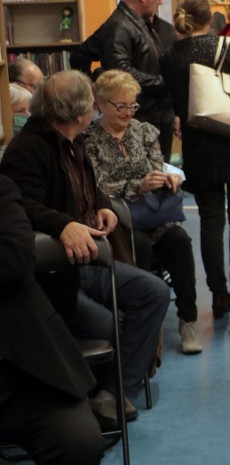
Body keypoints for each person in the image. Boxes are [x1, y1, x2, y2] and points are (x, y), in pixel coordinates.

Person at [0, 70, 170, 428]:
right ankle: (94, 398)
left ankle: (112, 394)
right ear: (76, 113)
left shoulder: (72, 141)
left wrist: (103, 204)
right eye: (91, 102)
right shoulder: (28, 149)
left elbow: (90, 188)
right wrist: (62, 225)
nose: (95, 106)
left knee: (154, 292)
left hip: (87, 257)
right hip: (55, 271)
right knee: (108, 328)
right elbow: (19, 206)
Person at [160, 0, 230, 319]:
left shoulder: (169, 56)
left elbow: (175, 101)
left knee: (209, 220)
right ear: (211, 18)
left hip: (198, 145)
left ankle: (217, 294)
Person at [84, 69, 201, 354]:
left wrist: (167, 179)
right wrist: (139, 186)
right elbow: (97, 185)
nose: (128, 112)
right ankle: (150, 325)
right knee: (142, 247)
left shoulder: (144, 130)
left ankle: (188, 320)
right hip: (117, 223)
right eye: (121, 106)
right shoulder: (89, 140)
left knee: (180, 243)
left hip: (154, 215)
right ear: (100, 104)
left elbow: (157, 166)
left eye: (133, 105)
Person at [0, 175, 104, 465]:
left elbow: (14, 261)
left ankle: (116, 393)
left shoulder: (2, 188)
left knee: (77, 441)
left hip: (20, 367)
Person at [99, 0, 178, 159]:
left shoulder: (151, 26)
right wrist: (162, 84)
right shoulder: (119, 26)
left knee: (160, 175)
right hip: (138, 117)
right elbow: (121, 73)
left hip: (158, 116)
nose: (161, 1)